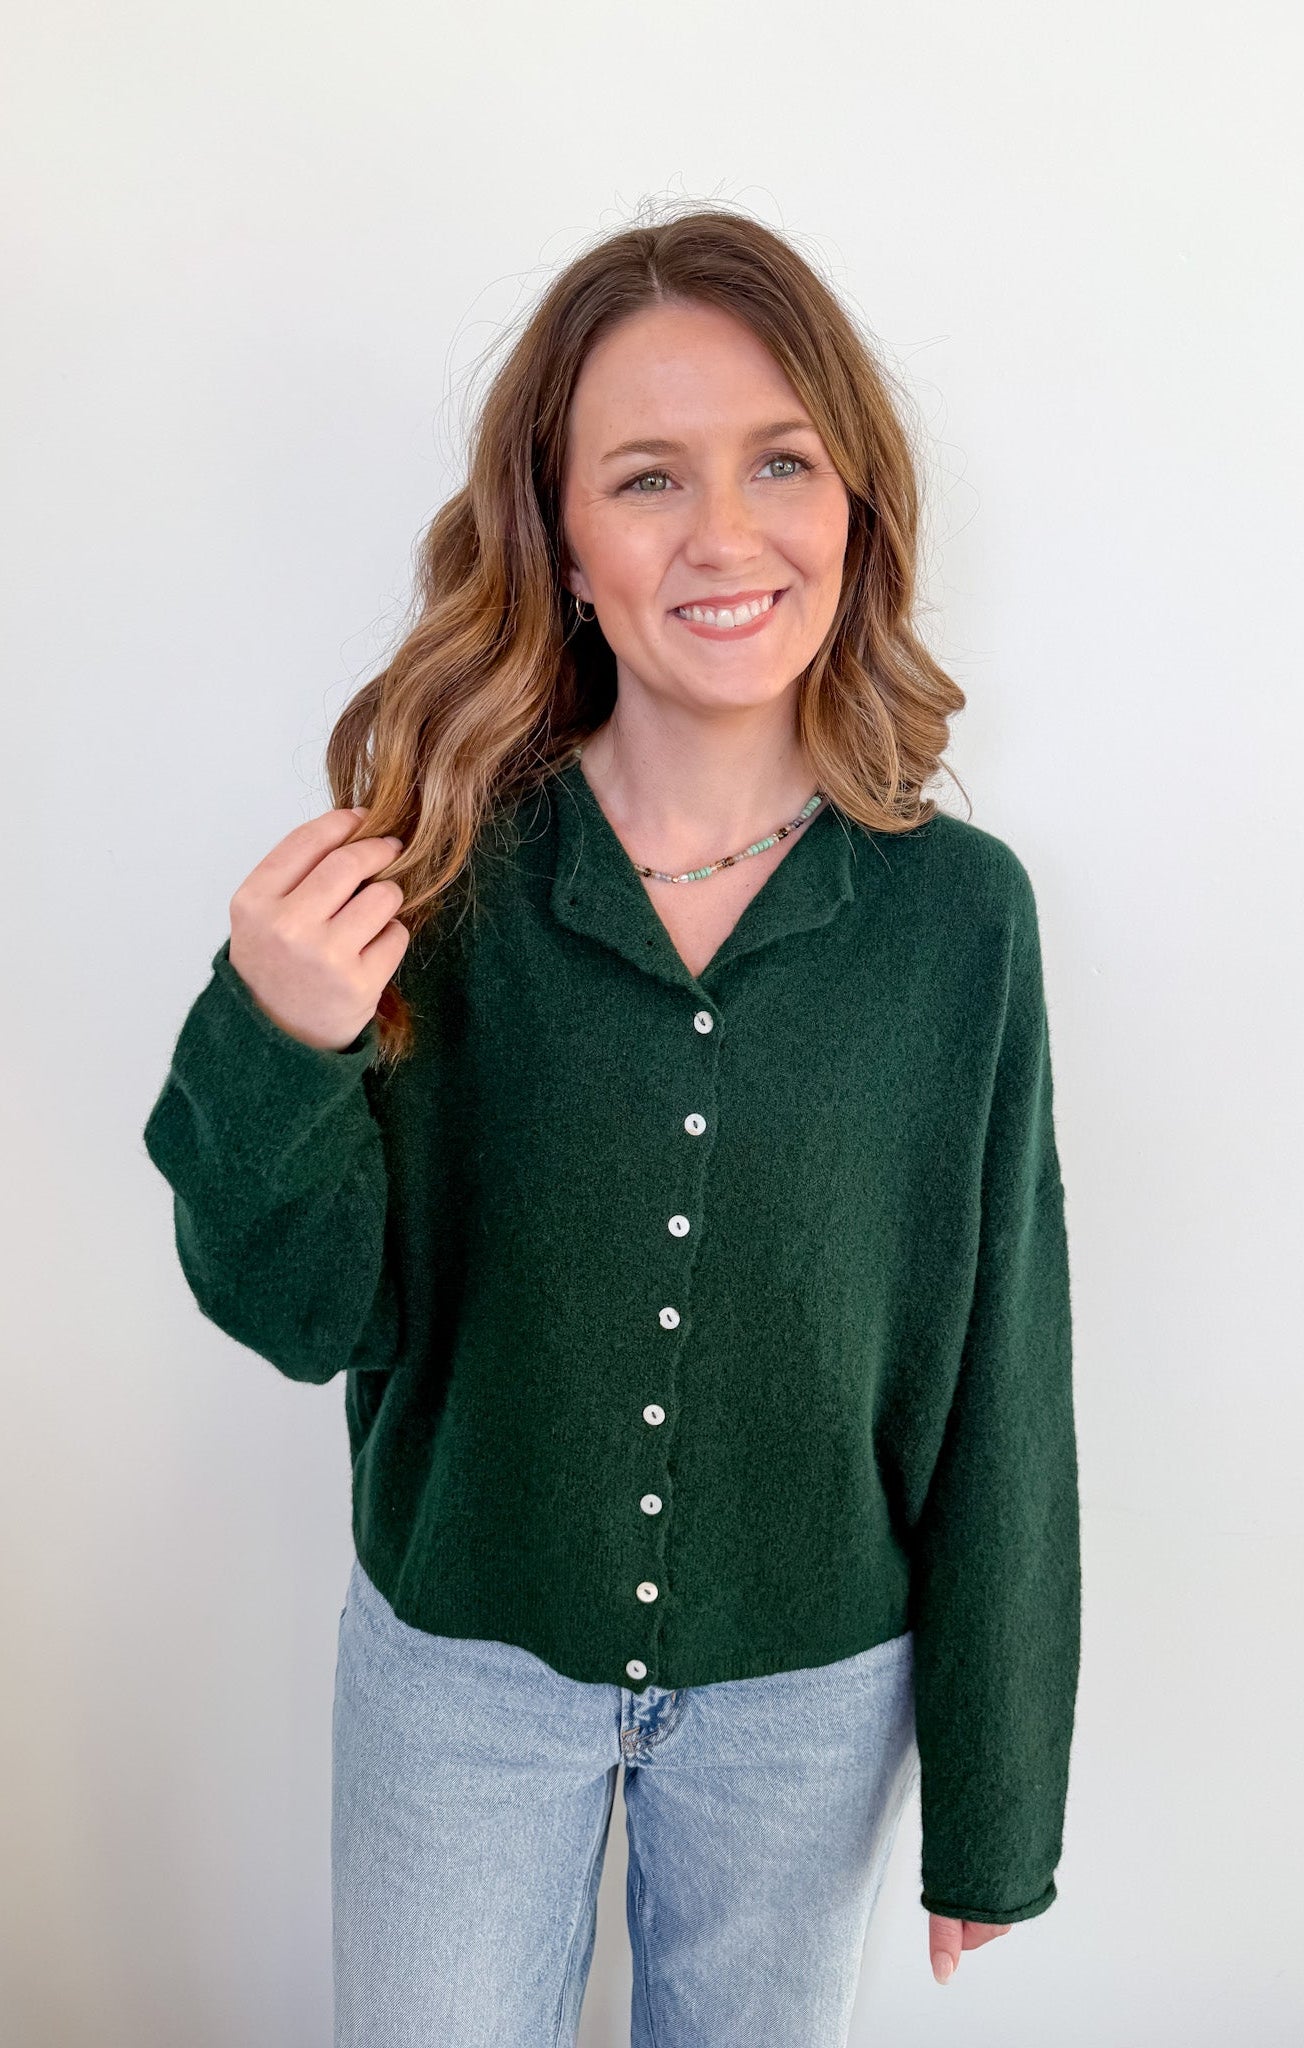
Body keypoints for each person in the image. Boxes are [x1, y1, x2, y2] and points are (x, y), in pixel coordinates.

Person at [142, 204, 1081, 2047]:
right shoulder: (434, 877)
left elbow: (1003, 1376)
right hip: (459, 1677)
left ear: (855, 505)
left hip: (814, 1696)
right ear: (559, 542)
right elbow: (300, 1314)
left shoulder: (958, 918)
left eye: (780, 463)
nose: (723, 535)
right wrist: (280, 1038)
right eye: (647, 478)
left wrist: (994, 1795)